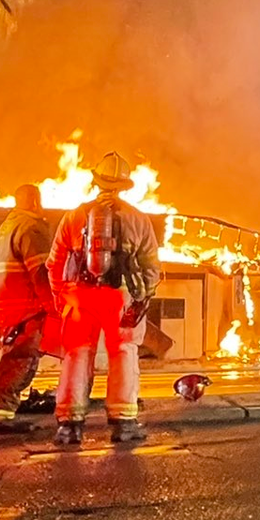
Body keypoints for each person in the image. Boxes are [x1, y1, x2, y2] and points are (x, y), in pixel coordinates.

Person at [48, 152, 161, 446]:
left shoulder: (74, 216)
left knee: (76, 354)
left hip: (80, 297)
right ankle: (124, 423)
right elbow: (150, 266)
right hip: (120, 297)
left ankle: (69, 426)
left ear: (96, 181)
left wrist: (62, 295)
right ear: (125, 185)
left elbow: (55, 261)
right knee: (123, 352)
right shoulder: (138, 218)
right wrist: (142, 296)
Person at [0, 184, 59, 432]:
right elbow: (40, 271)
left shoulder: (4, 228)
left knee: (13, 356)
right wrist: (53, 305)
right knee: (22, 358)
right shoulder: (31, 227)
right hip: (25, 305)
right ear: (35, 201)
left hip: (4, 303)